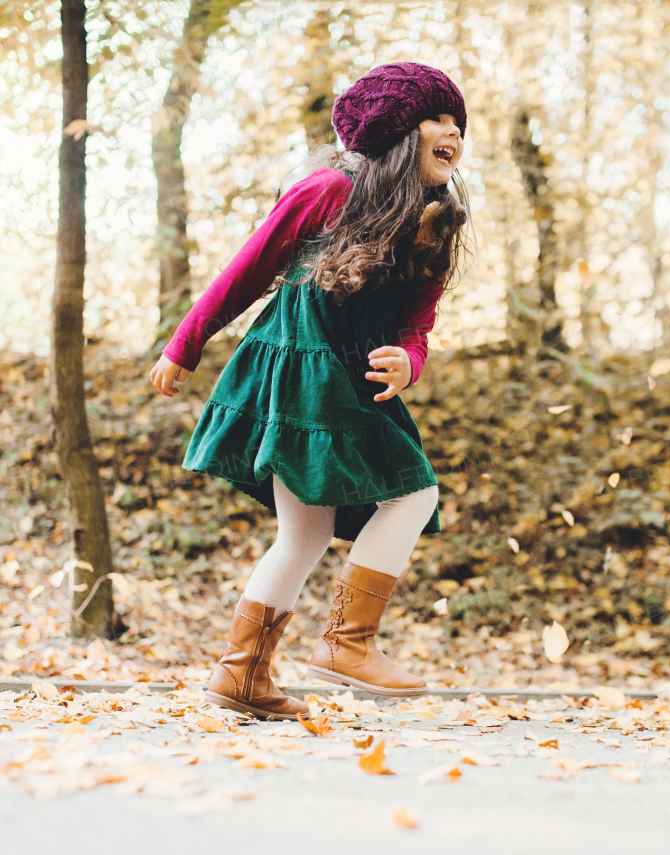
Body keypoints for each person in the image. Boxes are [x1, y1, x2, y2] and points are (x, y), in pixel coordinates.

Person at [149, 62, 471, 721]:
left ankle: (241, 673)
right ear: (398, 131)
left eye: (460, 124)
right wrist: (186, 342)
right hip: (298, 363)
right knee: (414, 492)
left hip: (350, 374)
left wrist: (407, 359)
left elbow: (419, 319)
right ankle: (346, 644)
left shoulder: (436, 216)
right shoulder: (327, 190)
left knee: (306, 532)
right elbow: (246, 270)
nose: (454, 133)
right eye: (438, 119)